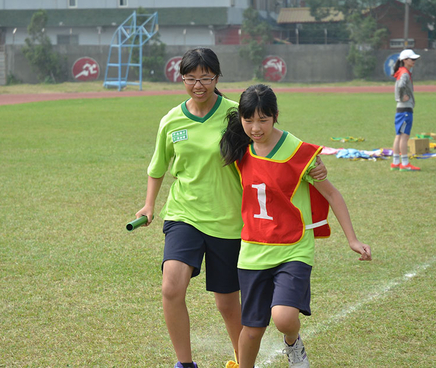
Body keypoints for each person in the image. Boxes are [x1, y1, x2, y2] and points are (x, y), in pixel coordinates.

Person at [134, 48, 326, 368]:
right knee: (171, 285)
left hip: (230, 221)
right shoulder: (171, 120)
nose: (199, 84)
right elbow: (158, 167)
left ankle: (242, 360)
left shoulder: (236, 114)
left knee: (228, 304)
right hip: (185, 214)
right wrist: (149, 204)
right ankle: (185, 363)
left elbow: (272, 140)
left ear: (217, 78)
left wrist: (313, 164)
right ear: (182, 79)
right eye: (191, 78)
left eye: (206, 77)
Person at [219, 84, 372, 368]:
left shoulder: (299, 152)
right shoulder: (238, 147)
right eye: (248, 119)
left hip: (294, 248)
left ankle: (293, 344)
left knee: (284, 317)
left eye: (263, 120)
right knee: (251, 330)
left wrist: (352, 239)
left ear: (276, 115)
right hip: (252, 251)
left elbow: (331, 193)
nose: (255, 127)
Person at [391, 49, 421, 172]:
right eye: (412, 59)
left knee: (399, 135)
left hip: (401, 109)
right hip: (405, 109)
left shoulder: (401, 71)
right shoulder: (404, 73)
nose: (414, 61)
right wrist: (401, 96)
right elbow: (401, 86)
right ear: (405, 60)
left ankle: (396, 162)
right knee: (404, 136)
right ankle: (405, 163)